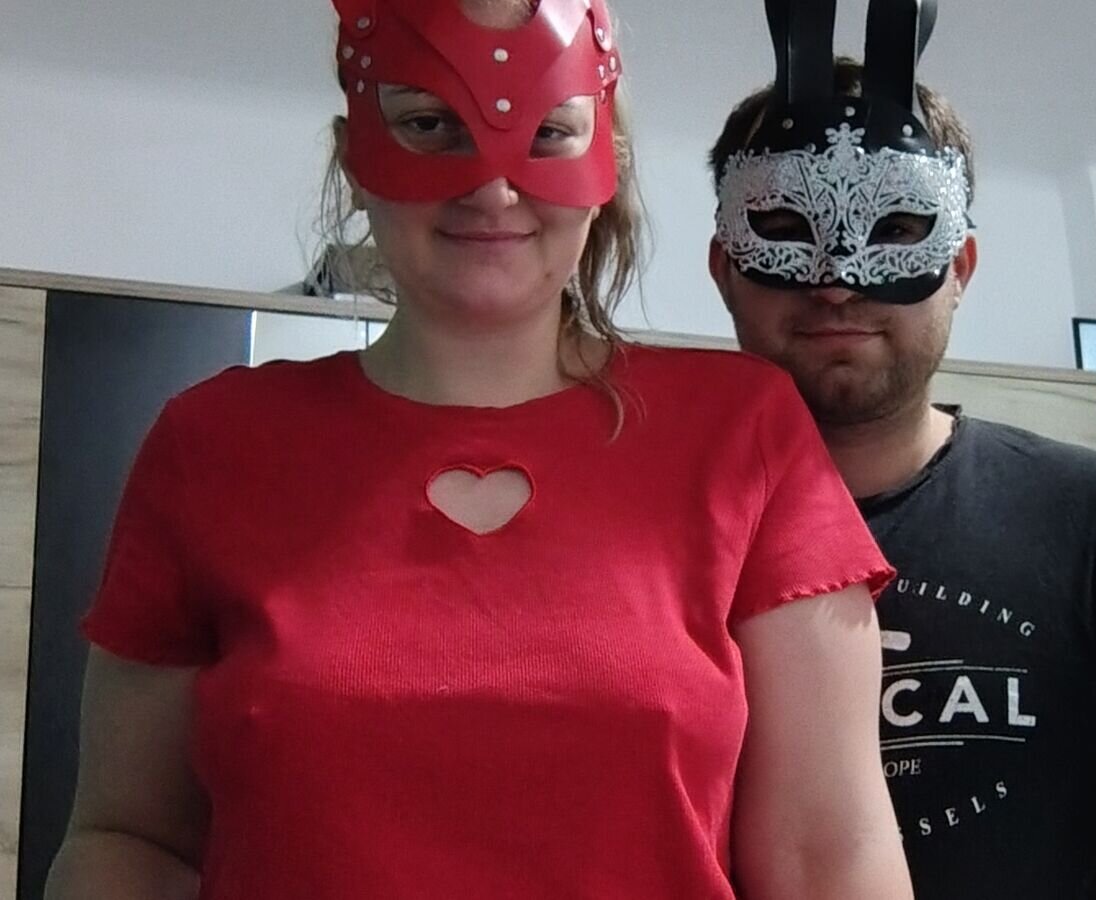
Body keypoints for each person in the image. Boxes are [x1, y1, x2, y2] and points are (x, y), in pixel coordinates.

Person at [45, 2, 913, 898]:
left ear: (607, 162)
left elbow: (829, 854)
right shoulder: (213, 444)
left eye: (548, 133)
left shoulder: (743, 433)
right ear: (352, 158)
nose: (493, 189)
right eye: (431, 126)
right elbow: (130, 836)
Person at [706, 2, 1096, 897]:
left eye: (898, 229)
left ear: (961, 268)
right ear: (724, 267)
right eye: (785, 228)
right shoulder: (647, 537)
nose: (838, 281)